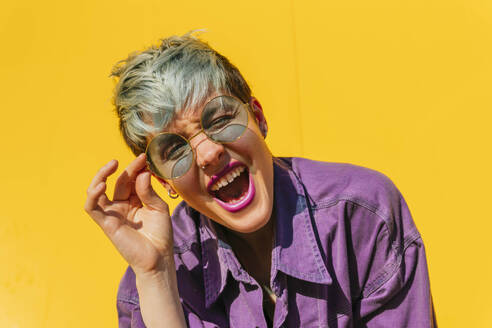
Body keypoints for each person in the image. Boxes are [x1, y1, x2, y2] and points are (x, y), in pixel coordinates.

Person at [84, 32, 437, 328]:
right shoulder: (147, 282)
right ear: (165, 183)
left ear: (258, 118)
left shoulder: (361, 217)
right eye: (175, 149)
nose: (208, 154)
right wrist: (157, 277)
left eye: (220, 118)